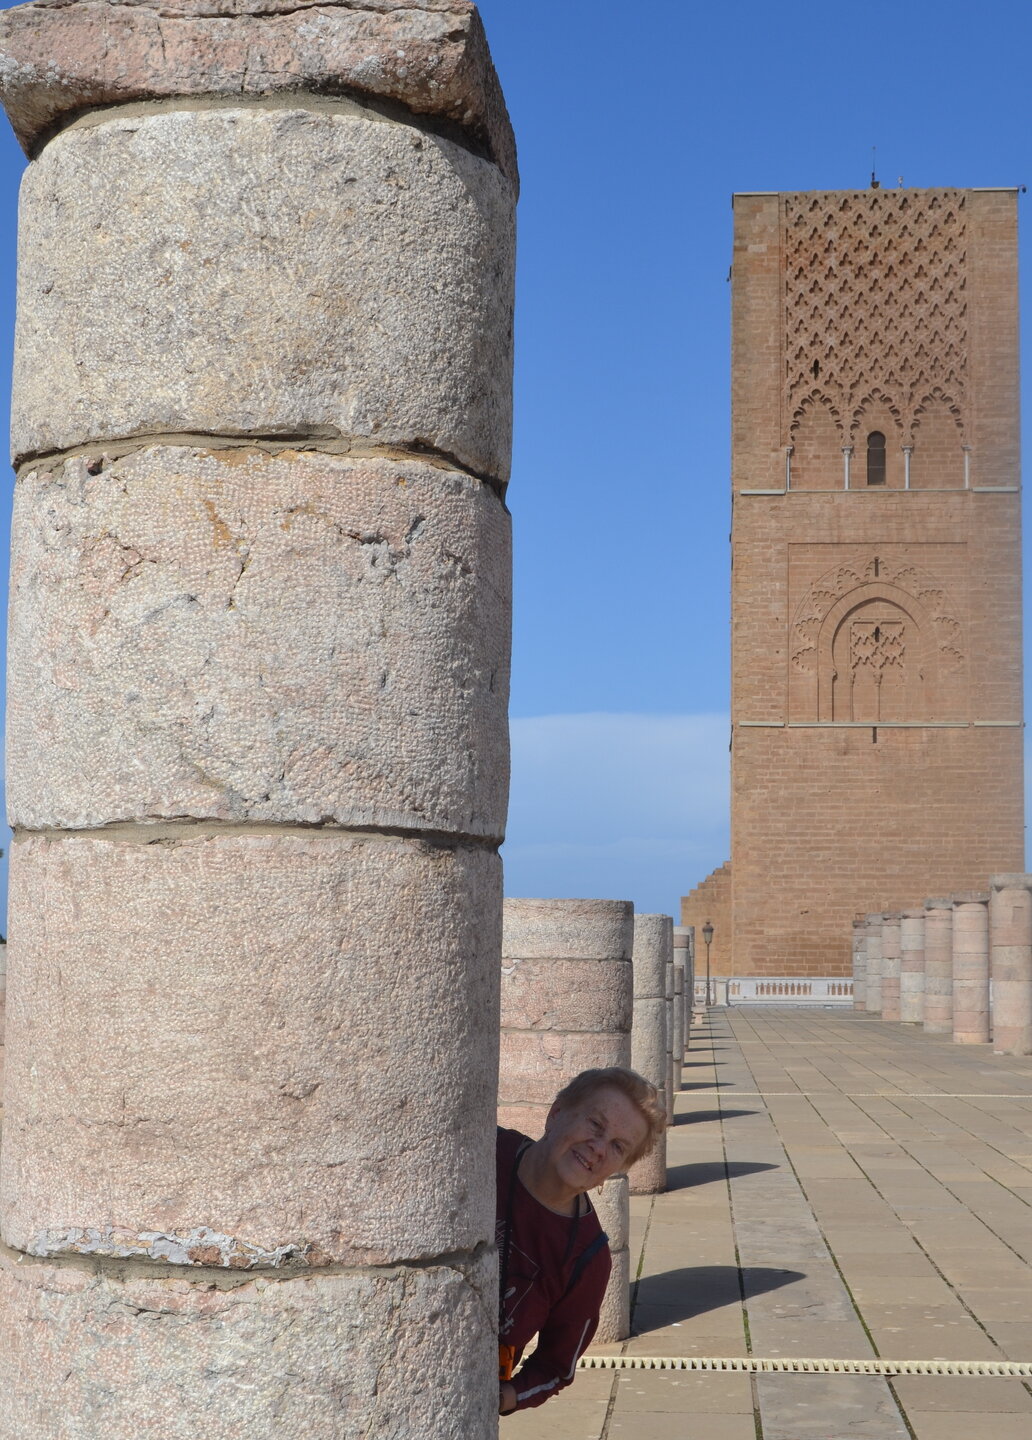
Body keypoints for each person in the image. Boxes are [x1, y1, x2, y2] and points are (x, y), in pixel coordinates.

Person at [497, 1066, 666, 1415]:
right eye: (595, 1124)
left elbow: (556, 1367)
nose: (599, 1148)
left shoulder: (588, 1258)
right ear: (556, 1114)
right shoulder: (487, 1150)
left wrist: (503, 1397)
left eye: (618, 1146)